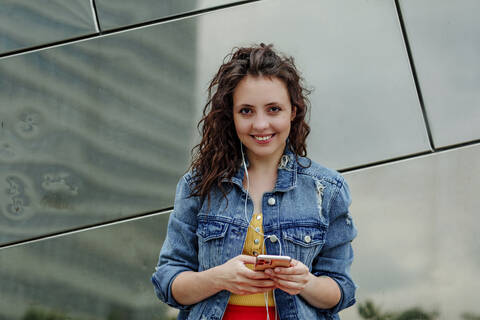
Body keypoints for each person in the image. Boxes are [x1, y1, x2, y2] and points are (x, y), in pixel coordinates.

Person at [151, 43, 357, 320]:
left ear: (293, 112)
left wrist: (306, 282)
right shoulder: (198, 186)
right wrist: (219, 278)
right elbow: (167, 282)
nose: (260, 125)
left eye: (273, 109)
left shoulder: (328, 190)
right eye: (246, 111)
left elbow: (341, 290)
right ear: (231, 116)